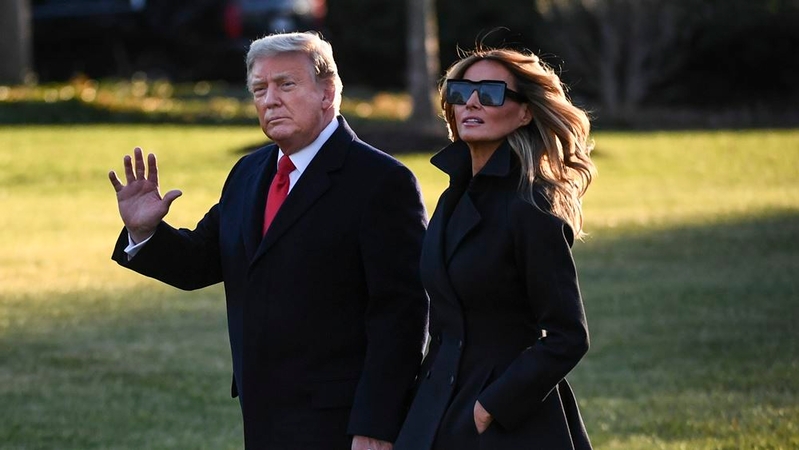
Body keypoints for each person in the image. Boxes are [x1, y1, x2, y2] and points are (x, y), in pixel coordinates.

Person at [108, 32, 429, 450]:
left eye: (286, 84)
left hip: (343, 420)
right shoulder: (249, 172)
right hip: (263, 413)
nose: (270, 99)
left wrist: (376, 424)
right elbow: (200, 263)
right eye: (260, 89)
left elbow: (402, 317)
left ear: (327, 92)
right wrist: (144, 232)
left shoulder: (382, 182)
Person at [393, 45, 597, 450]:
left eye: (490, 93)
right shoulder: (451, 198)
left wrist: (489, 408)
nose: (471, 102)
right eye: (460, 91)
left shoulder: (530, 207)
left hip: (504, 421)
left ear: (524, 112)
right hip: (435, 407)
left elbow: (568, 336)